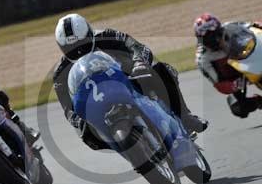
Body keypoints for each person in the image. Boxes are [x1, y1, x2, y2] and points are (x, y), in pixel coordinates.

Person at [52, 13, 208, 150]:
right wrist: (76, 119)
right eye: (71, 49)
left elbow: (137, 47)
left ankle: (185, 117)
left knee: (162, 70)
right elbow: (67, 106)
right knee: (87, 135)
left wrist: (139, 63)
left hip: (129, 81)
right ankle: (129, 149)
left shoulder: (108, 36)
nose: (79, 52)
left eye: (82, 45)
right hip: (95, 102)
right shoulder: (60, 72)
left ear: (90, 34)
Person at [193, 13, 262, 118]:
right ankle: (259, 102)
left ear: (220, 29)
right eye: (207, 38)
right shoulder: (203, 59)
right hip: (237, 76)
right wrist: (233, 85)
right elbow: (218, 83)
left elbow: (254, 26)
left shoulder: (230, 27)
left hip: (252, 54)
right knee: (238, 107)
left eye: (215, 34)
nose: (214, 40)